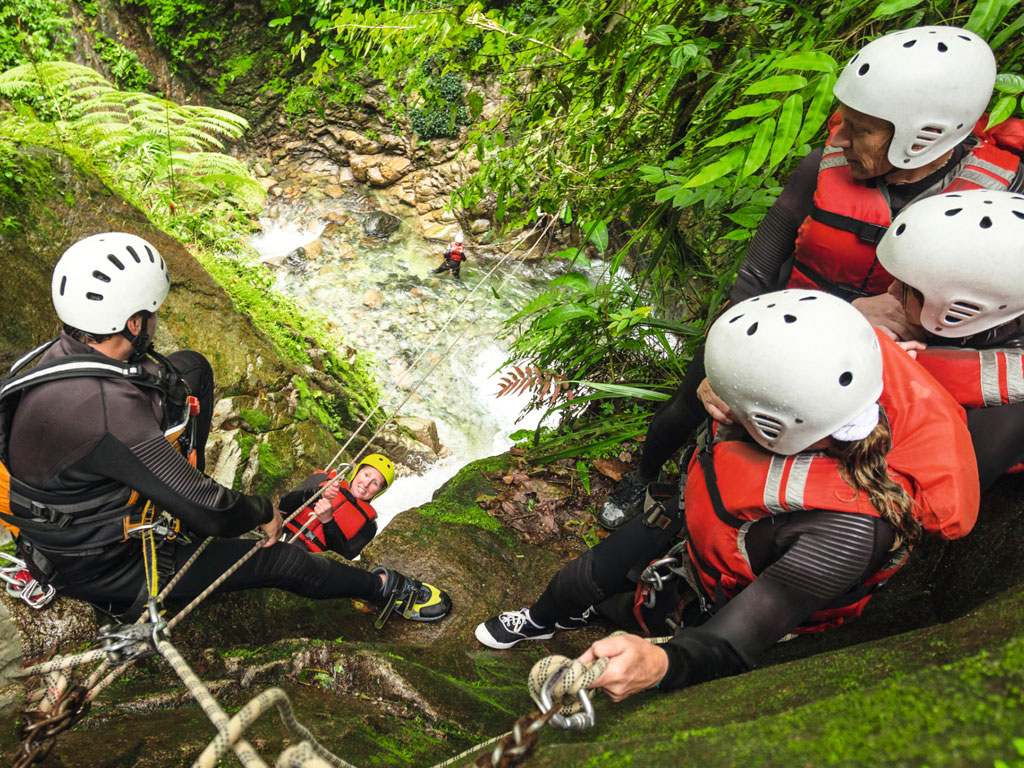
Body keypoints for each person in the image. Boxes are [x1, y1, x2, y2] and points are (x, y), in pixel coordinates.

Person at [598, 25, 1024, 529]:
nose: (839, 136)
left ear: (922, 135)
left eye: (862, 128)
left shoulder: (994, 209)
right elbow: (759, 268)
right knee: (685, 407)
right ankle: (645, 475)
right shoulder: (824, 164)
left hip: (863, 367)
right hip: (774, 321)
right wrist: (732, 353)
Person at [476, 291, 978, 701]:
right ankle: (546, 620)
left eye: (726, 401)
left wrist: (660, 663)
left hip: (729, 585)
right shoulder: (813, 396)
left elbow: (735, 641)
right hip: (698, 523)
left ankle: (621, 613)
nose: (713, 401)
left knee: (631, 607)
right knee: (577, 580)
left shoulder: (846, 531)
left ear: (770, 424)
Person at [0, 232, 451, 626]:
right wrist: (260, 511)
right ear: (133, 323)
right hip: (106, 566)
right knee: (284, 560)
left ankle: (178, 485)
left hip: (60, 513)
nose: (156, 323)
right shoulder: (110, 415)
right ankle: (384, 591)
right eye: (151, 314)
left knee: (191, 368)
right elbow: (216, 512)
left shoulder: (54, 359)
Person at [873, 188, 1024, 491]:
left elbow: (938, 489)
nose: (888, 292)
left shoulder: (1009, 410)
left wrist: (900, 374)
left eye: (905, 288)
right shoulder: (990, 316)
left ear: (961, 309)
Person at [281, 453, 394, 559]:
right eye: (366, 475)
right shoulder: (323, 480)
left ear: (379, 491)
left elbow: (343, 558)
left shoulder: (369, 527)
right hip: (283, 534)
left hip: (311, 560)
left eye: (375, 483)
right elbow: (284, 505)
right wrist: (318, 492)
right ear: (357, 472)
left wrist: (328, 522)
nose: (366, 484)